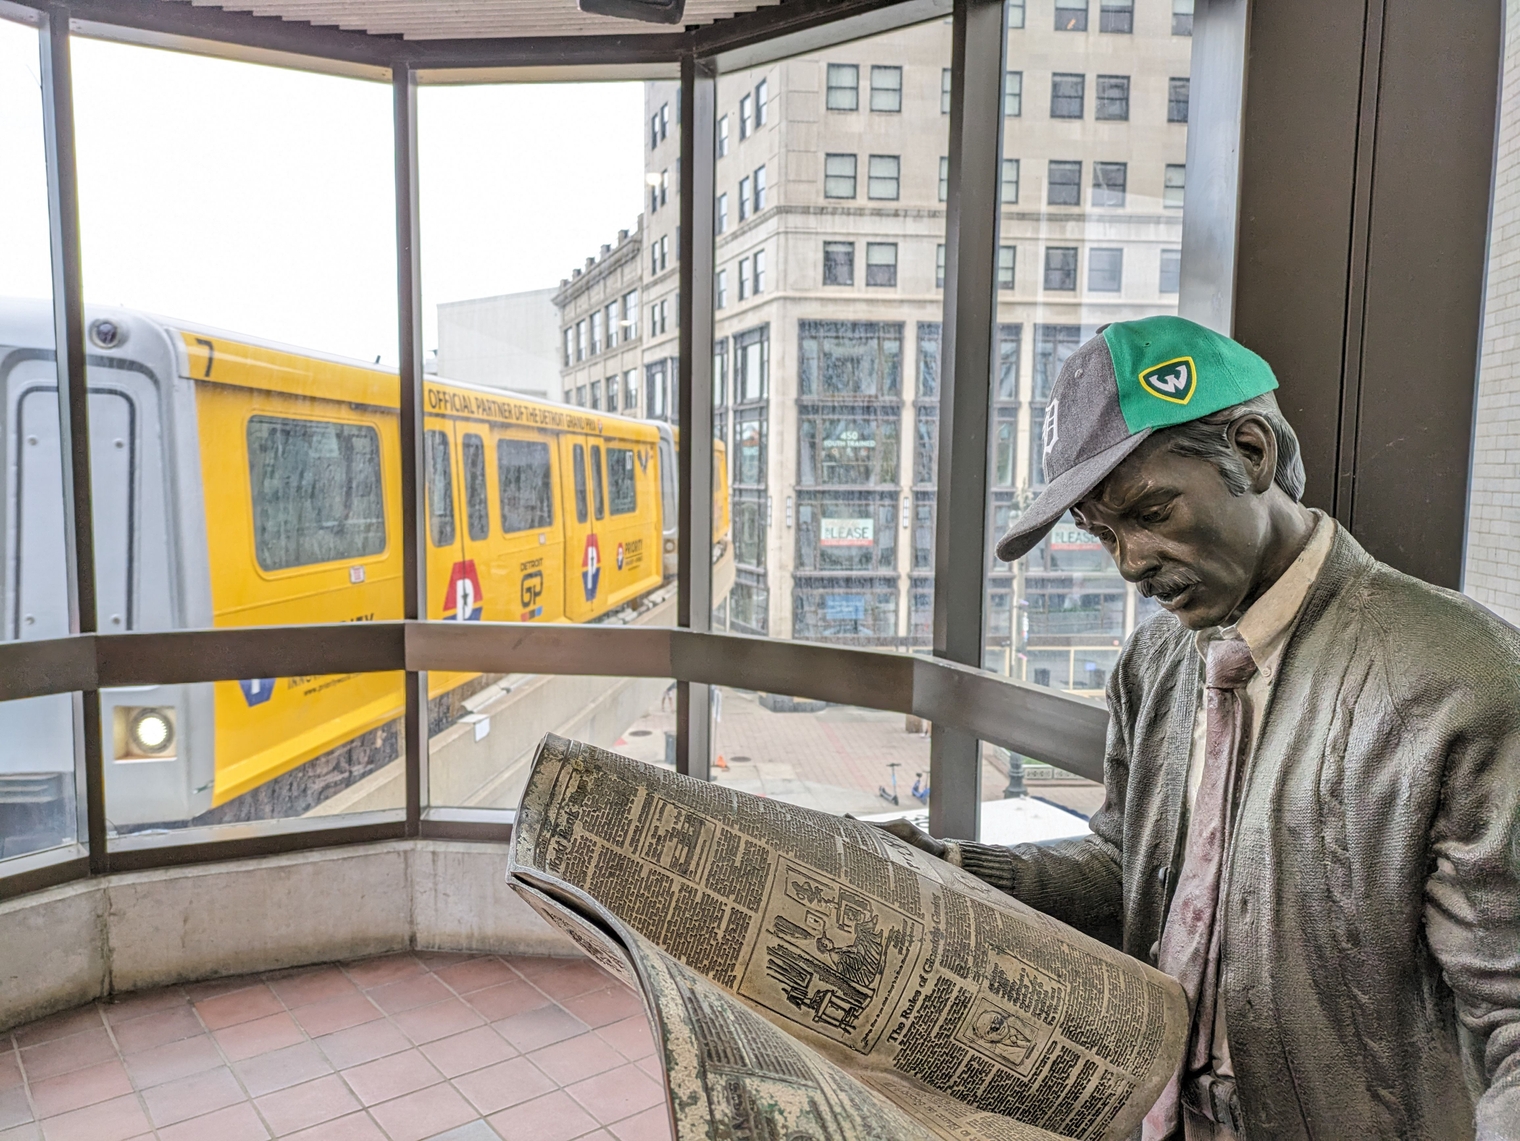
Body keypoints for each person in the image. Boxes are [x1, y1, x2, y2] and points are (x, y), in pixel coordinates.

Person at [877, 316, 1520, 1140]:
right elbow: (1130, 869)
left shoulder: (1460, 680)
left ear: (1251, 452)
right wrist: (953, 874)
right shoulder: (1153, 665)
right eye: (1103, 533)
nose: (1130, 562)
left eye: (1149, 510)